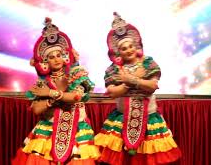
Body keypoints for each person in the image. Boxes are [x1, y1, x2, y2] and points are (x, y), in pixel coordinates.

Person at [94, 12, 182, 165]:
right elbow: (113, 93)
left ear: (136, 46)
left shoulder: (148, 63)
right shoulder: (113, 69)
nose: (128, 50)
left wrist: (129, 80)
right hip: (122, 118)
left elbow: (152, 87)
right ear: (117, 52)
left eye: (131, 46)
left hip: (149, 119)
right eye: (124, 48)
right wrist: (133, 81)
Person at [12, 17, 100, 165]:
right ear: (45, 62)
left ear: (64, 56)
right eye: (51, 57)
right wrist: (53, 99)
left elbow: (76, 97)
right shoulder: (42, 83)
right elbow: (36, 109)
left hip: (76, 127)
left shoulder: (76, 74)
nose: (56, 59)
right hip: (48, 129)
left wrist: (50, 94)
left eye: (59, 55)